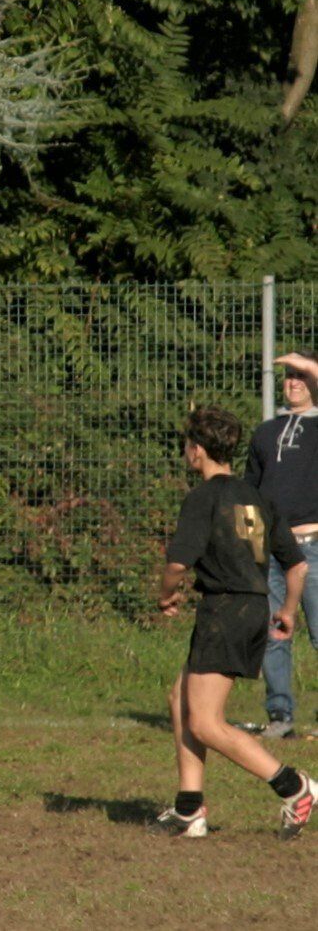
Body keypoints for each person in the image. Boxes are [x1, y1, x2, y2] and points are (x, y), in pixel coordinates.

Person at [151, 405, 313, 840]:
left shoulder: (203, 497)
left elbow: (178, 563)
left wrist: (165, 596)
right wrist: (288, 611)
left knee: (205, 721)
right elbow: (296, 567)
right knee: (180, 698)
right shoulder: (258, 497)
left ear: (197, 451)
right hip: (252, 608)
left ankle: (294, 786)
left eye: (188, 445)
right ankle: (189, 808)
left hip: (224, 611)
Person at [246, 352, 318, 739]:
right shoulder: (265, 432)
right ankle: (280, 715)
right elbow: (250, 490)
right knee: (275, 631)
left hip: (313, 545)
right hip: (272, 547)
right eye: (288, 376)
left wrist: (309, 365)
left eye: (301, 376)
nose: (293, 382)